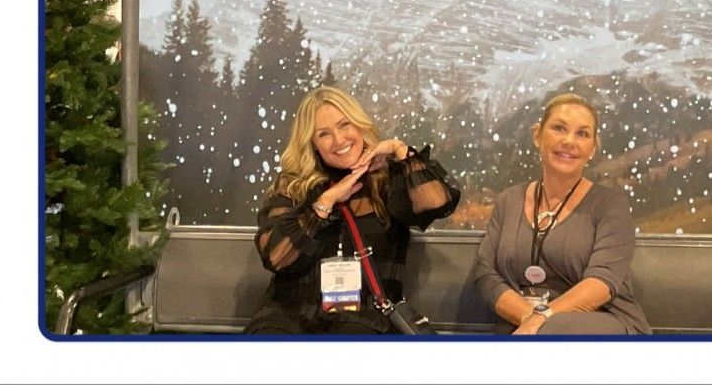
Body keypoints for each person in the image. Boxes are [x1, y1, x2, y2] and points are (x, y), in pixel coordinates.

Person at [245, 86, 461, 334]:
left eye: (345, 125)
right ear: (313, 144)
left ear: (359, 125)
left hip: (365, 319)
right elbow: (276, 257)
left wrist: (398, 149)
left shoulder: (389, 178)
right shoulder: (294, 185)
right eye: (324, 134)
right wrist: (325, 203)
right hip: (289, 316)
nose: (339, 140)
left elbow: (438, 202)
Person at [472, 93, 650, 334]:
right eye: (558, 128)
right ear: (537, 135)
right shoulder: (508, 200)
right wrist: (529, 317)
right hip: (525, 326)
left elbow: (602, 283)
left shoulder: (611, 206)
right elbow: (486, 273)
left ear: (592, 148)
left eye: (582, 134)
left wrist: (543, 318)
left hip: (605, 323)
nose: (569, 141)